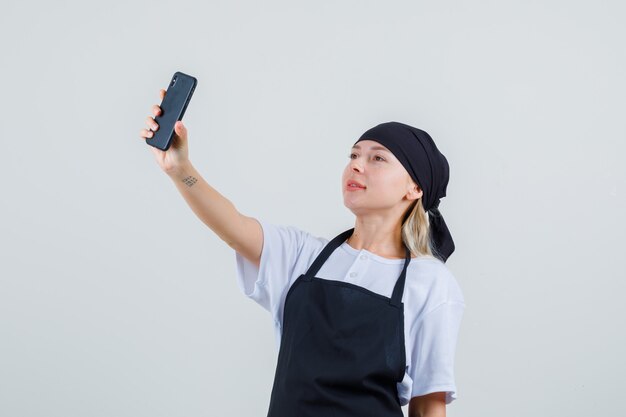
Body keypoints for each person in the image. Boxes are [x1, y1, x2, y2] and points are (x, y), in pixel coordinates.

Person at [140, 88, 465, 417]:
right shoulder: (303, 256)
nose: (357, 166)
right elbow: (233, 227)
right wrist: (179, 169)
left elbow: (427, 407)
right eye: (353, 156)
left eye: (377, 158)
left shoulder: (430, 282)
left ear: (415, 188)